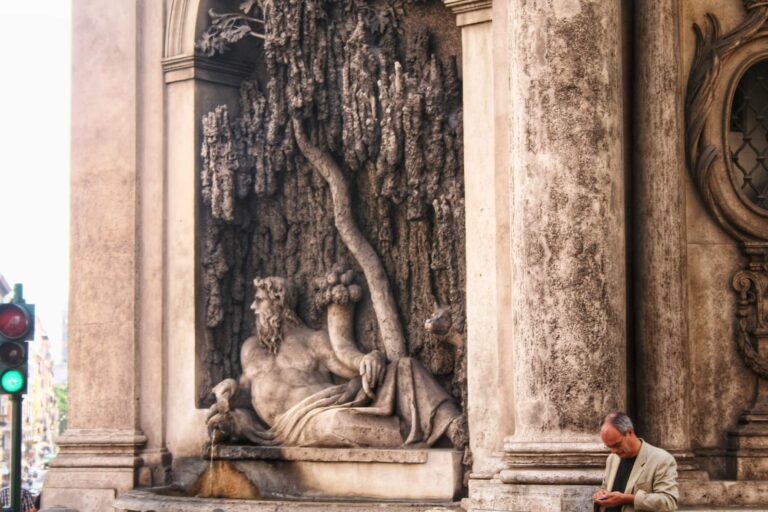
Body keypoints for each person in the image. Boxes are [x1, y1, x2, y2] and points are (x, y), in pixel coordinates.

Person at [206, 275, 464, 448]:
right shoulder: (250, 348)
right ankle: (406, 431)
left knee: (405, 366)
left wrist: (369, 358)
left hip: (321, 408)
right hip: (289, 428)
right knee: (335, 423)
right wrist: (229, 388)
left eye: (259, 300)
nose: (253, 306)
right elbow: (245, 391)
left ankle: (452, 426)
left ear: (279, 301)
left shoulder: (312, 339)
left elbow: (346, 363)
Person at [592, 412, 678, 512]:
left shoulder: (662, 459)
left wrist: (626, 499)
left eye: (617, 445)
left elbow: (669, 502)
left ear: (630, 432)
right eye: (609, 447)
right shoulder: (612, 458)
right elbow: (605, 487)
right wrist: (600, 494)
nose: (614, 451)